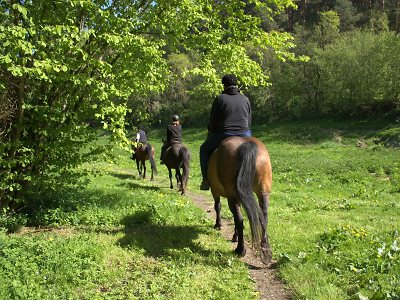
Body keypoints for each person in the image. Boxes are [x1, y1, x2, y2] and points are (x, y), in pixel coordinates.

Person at [199, 74, 252, 190]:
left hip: (224, 133)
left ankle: (206, 180)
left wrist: (213, 131)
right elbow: (249, 119)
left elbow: (213, 120)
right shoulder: (245, 99)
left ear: (224, 85)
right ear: (236, 84)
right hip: (245, 133)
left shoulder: (220, 99)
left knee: (203, 149)